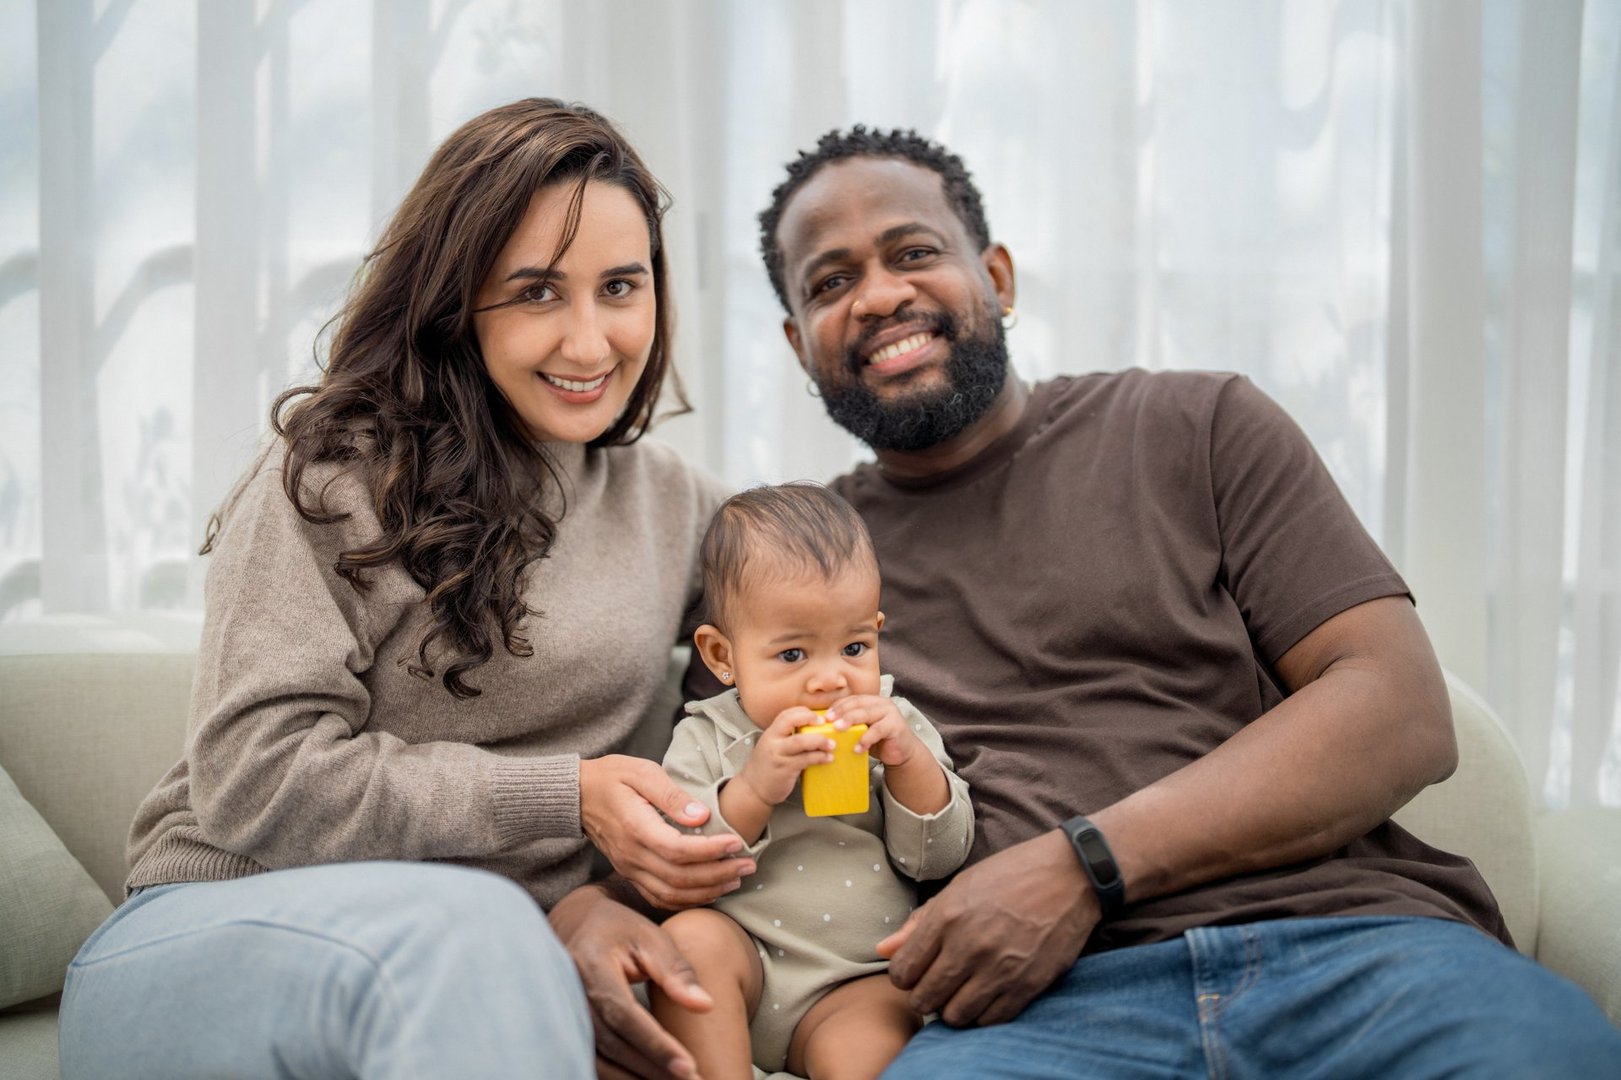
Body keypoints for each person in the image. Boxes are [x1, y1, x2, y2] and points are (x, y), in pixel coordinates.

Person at [749, 126, 1621, 1078]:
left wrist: (1085, 862)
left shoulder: (1197, 425)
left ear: (996, 276)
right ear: (799, 342)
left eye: (913, 253)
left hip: (1356, 950)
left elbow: (1400, 709)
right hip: (1034, 1016)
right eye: (830, 283)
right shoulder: (793, 565)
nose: (878, 296)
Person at [57, 98, 749, 1079]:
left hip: (478, 966)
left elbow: (819, 616)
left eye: (620, 287)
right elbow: (256, 775)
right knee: (472, 930)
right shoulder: (338, 472)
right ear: (454, 299)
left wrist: (602, 898)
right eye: (538, 293)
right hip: (211, 936)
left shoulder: (674, 506)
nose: (592, 343)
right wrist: (568, 799)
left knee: (491, 937)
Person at [650, 483, 973, 1080]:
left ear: (877, 630)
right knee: (691, 941)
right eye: (793, 655)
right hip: (743, 962)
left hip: (854, 978)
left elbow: (938, 857)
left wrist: (906, 763)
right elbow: (676, 865)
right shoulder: (706, 735)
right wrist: (754, 788)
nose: (831, 681)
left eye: (854, 647)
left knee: (866, 1047)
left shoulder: (892, 726)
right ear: (722, 655)